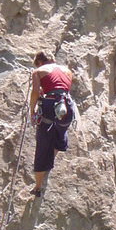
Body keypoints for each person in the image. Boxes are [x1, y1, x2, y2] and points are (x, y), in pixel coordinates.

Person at [30, 51, 74, 197]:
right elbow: (60, 88)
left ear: (40, 62)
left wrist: (32, 111)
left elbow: (35, 92)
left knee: (42, 146)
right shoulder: (68, 71)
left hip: (50, 108)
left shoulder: (38, 71)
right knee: (59, 134)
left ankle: (37, 187)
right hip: (67, 107)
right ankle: (49, 164)